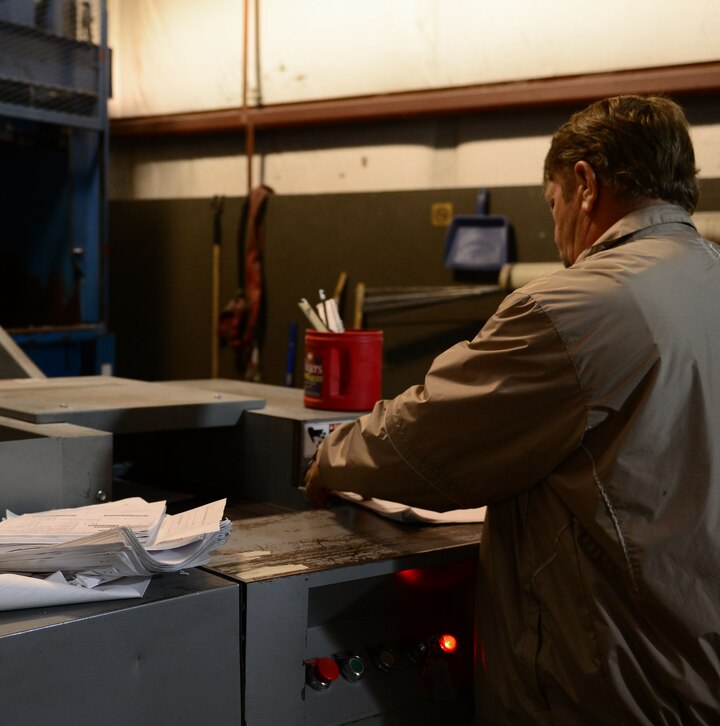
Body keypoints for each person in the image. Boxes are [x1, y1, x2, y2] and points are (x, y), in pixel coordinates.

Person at [304, 94, 720, 724]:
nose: (557, 238)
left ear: (584, 184)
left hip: (615, 685)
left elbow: (427, 444)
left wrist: (331, 456)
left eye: (551, 204)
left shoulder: (578, 305)